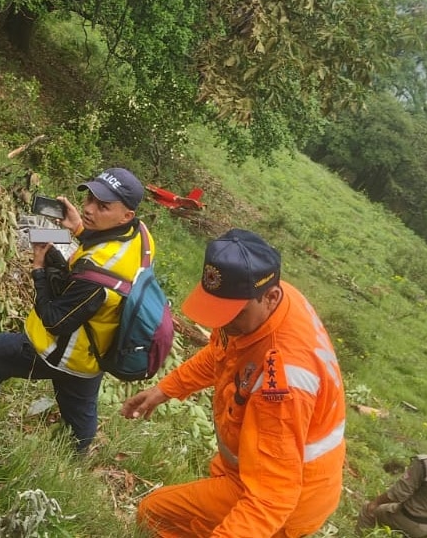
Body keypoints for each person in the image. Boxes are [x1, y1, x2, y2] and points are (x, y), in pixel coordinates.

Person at [121, 229, 347, 537]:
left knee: (156, 514)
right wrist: (166, 389)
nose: (221, 323)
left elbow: (271, 497)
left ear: (270, 297)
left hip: (286, 501)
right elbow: (222, 353)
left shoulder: (280, 384)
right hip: (248, 472)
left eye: (232, 315)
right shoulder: (264, 303)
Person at [0, 166, 155, 453]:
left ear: (126, 215)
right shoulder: (141, 237)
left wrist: (37, 268)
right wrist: (80, 230)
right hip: (93, 356)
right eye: (89, 200)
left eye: (103, 206)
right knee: (79, 427)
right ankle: (77, 457)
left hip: (61, 354)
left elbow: (55, 322)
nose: (89, 209)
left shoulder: (97, 276)